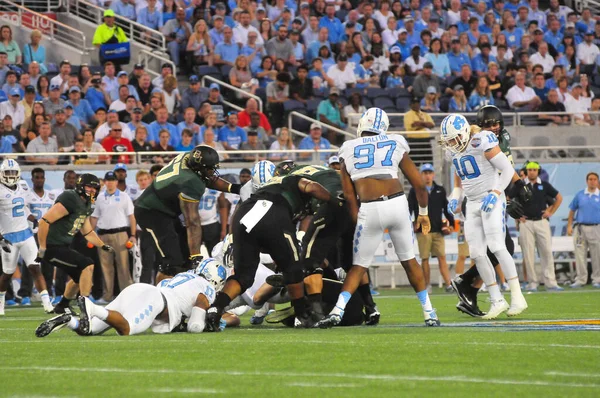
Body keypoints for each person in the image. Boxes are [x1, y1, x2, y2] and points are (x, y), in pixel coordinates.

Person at [317, 108, 438, 328]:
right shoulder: (395, 142)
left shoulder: (348, 148)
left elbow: (349, 195)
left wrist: (357, 221)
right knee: (410, 262)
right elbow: (419, 185)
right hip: (397, 204)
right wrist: (422, 214)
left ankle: (337, 311)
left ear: (362, 125)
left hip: (370, 207)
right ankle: (429, 312)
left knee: (359, 266)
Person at [203, 160, 343, 331]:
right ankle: (303, 314)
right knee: (294, 269)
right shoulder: (293, 179)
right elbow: (312, 187)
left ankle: (216, 308)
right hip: (271, 212)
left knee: (243, 276)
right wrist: (334, 201)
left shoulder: (270, 184)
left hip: (244, 215)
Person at [442, 114, 528, 320]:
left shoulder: (481, 140)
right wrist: (455, 196)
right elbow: (460, 179)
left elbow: (507, 169)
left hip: (491, 197)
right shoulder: (452, 151)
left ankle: (517, 296)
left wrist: (496, 193)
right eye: (449, 140)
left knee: (497, 246)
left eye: (454, 138)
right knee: (478, 253)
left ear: (463, 133)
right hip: (471, 203)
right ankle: (496, 299)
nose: (452, 143)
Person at [35, 258, 227, 337]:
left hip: (140, 289)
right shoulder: (207, 287)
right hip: (156, 299)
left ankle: (69, 320)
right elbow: (195, 324)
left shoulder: (185, 276)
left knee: (90, 330)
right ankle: (90, 306)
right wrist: (203, 325)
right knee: (126, 328)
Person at [134, 145, 241, 282]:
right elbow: (192, 222)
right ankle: (161, 299)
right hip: (150, 214)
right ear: (200, 168)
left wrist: (235, 188)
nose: (212, 171)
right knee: (172, 264)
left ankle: (181, 294)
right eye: (209, 168)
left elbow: (207, 178)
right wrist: (196, 256)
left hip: (165, 212)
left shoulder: (187, 158)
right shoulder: (190, 181)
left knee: (185, 259)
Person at [36, 174, 114, 314]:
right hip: (52, 246)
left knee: (80, 277)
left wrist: (102, 245)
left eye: (94, 188)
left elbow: (88, 232)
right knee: (87, 264)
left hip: (63, 246)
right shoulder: (70, 198)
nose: (92, 190)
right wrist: (42, 247)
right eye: (89, 186)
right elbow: (44, 222)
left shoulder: (87, 204)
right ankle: (86, 306)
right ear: (80, 186)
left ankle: (62, 305)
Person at [0, 160, 53, 315]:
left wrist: (32, 218)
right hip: (8, 237)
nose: (11, 176)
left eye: (13, 173)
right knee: (7, 274)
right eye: (7, 173)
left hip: (26, 234)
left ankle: (47, 303)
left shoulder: (23, 185)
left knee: (35, 268)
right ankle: (1, 303)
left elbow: (22, 207)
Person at [519, 161, 563, 292]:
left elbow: (559, 198)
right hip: (526, 223)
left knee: (547, 252)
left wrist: (550, 212)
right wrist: (517, 216)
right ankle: (532, 283)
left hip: (541, 221)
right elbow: (509, 200)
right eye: (530, 170)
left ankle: (550, 282)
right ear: (526, 171)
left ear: (538, 171)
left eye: (534, 170)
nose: (532, 172)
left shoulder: (544, 185)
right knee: (528, 253)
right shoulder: (521, 186)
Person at [408, 163, 454, 291]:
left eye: (429, 173)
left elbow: (446, 208)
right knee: (425, 258)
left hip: (438, 229)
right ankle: (427, 284)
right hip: (423, 230)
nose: (427, 176)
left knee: (442, 257)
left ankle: (448, 284)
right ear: (421, 175)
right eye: (425, 173)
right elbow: (409, 209)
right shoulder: (415, 190)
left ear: (433, 174)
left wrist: (452, 224)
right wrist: (410, 224)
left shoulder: (440, 190)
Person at [567, 172, 600, 288]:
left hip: (597, 228)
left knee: (597, 255)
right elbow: (572, 211)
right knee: (580, 255)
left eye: (595, 179)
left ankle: (597, 279)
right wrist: (569, 225)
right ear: (587, 181)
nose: (592, 181)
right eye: (590, 179)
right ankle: (581, 279)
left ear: (597, 181)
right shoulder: (580, 195)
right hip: (580, 229)